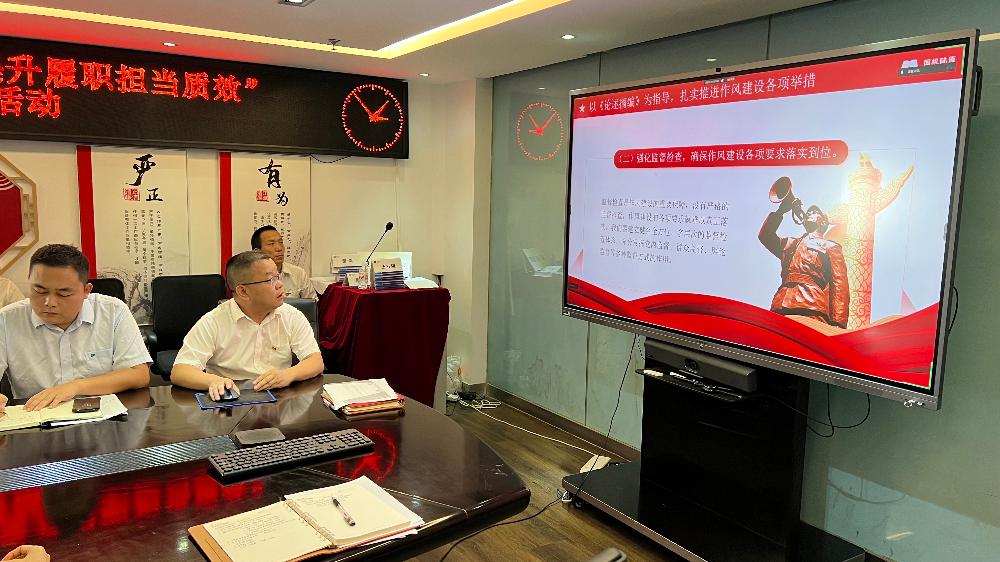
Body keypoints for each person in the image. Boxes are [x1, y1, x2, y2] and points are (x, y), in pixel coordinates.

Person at [0, 244, 151, 414]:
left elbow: (138, 374)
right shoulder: (6, 319)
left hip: (102, 418)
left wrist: (74, 387)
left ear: (86, 290)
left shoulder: (113, 311)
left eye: (63, 293)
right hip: (37, 418)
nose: (49, 302)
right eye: (40, 290)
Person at [170, 250, 323, 400]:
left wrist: (288, 375)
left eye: (278, 277)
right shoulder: (213, 321)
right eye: (270, 280)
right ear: (243, 291)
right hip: (230, 401)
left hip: (278, 400)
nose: (279, 285)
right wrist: (213, 381)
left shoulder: (291, 315)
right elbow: (180, 371)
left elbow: (315, 361)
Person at [759, 193, 850, 329]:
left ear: (822, 222)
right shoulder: (790, 243)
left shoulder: (831, 247)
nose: (809, 213)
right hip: (780, 304)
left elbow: (839, 286)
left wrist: (838, 324)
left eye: (814, 212)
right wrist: (781, 211)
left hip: (812, 306)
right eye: (809, 212)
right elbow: (765, 236)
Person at [251, 225, 315, 299]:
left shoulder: (298, 274)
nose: (279, 248)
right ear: (257, 252)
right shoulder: (250, 276)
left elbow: (312, 303)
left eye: (281, 242)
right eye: (271, 244)